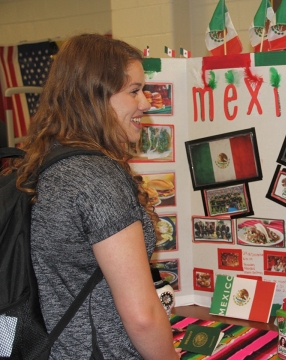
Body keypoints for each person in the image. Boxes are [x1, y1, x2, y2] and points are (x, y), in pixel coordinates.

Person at [8, 34, 180, 359]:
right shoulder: (95, 178)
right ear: (95, 96)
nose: (146, 102)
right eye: (134, 91)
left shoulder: (45, 161)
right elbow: (142, 316)